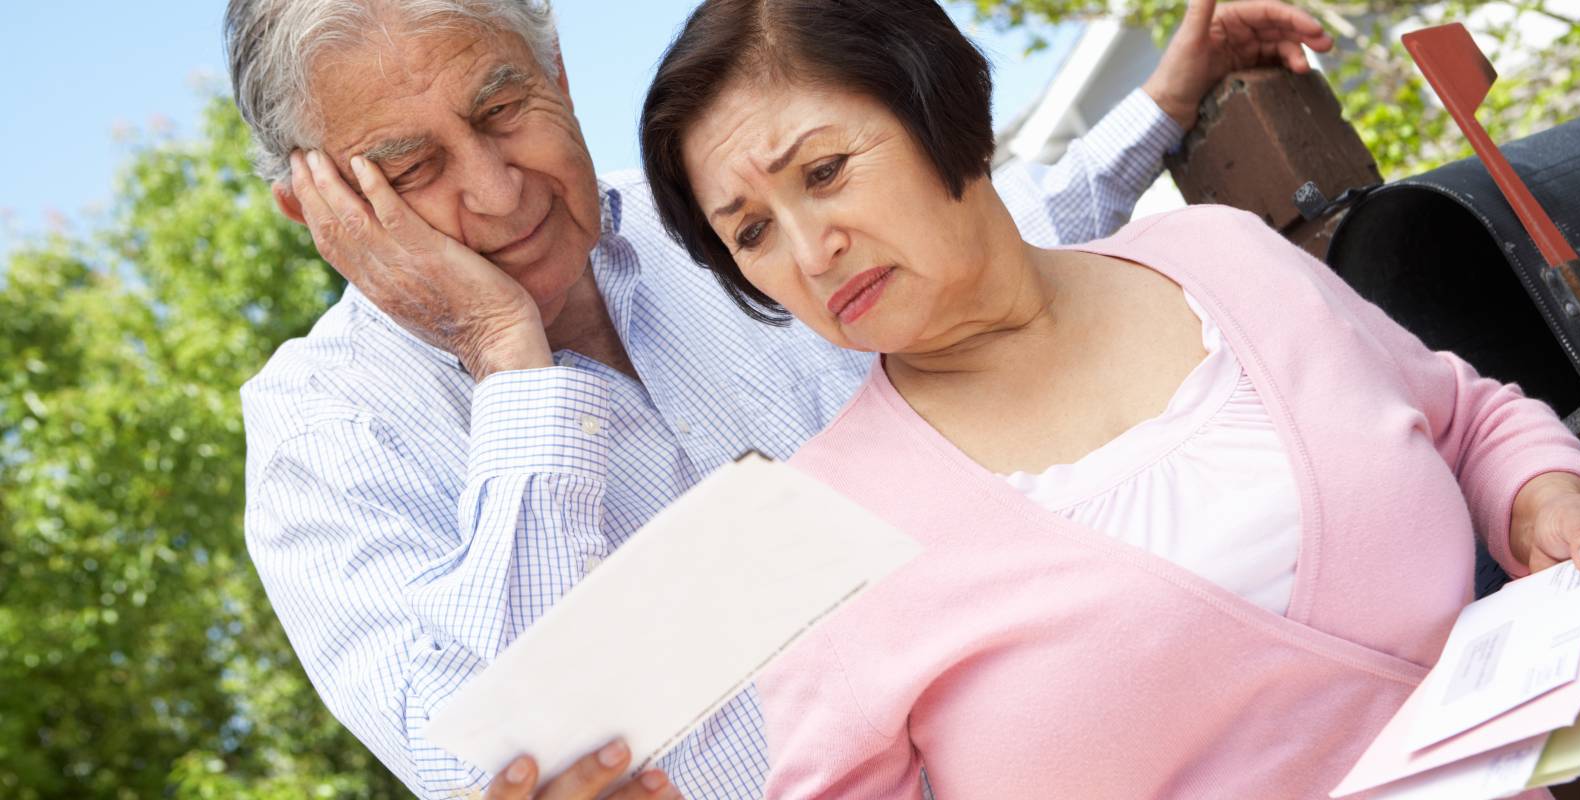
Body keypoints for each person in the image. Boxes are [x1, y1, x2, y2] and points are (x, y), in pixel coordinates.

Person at [225, 0, 1335, 796]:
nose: (496, 187)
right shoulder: (322, 435)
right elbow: (486, 771)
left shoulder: (719, 213)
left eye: (504, 106)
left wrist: (1167, 95)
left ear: (558, 76)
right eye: (411, 169)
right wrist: (502, 355)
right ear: (315, 213)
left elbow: (988, 243)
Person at [639, 0, 1580, 796]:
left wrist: (1540, 499)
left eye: (824, 171)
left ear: (944, 117)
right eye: (752, 234)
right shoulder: (822, 529)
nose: (812, 253)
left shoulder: (1220, 256)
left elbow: (1464, 413)